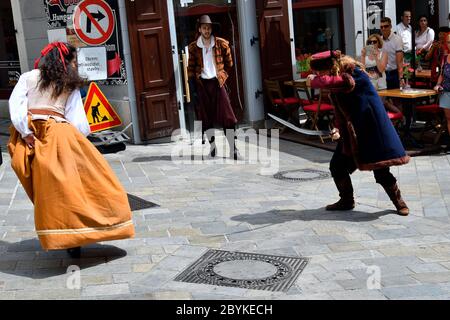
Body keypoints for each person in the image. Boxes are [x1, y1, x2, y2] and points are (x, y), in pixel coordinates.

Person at [7, 42, 135, 258]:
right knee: (78, 185)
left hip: (32, 136)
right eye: (73, 61)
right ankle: (79, 233)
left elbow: (15, 104)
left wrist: (26, 132)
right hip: (60, 133)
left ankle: (64, 235)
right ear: (64, 61)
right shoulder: (69, 84)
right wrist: (77, 143)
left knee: (50, 191)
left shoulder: (28, 77)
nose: (75, 65)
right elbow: (79, 123)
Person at [306, 51, 410, 216]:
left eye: (321, 72)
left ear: (331, 67)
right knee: (337, 166)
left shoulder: (354, 72)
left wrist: (317, 81)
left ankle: (399, 202)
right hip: (351, 132)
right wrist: (337, 128)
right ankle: (346, 200)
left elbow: (346, 83)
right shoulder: (335, 81)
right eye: (317, 73)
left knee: (381, 170)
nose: (319, 75)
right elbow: (340, 110)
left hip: (371, 129)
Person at [188, 15, 241, 160]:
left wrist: (222, 75)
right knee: (206, 119)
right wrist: (193, 89)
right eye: (204, 28)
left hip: (217, 84)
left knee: (228, 117)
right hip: (202, 85)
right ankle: (212, 147)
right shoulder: (193, 47)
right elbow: (190, 68)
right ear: (199, 29)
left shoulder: (221, 44)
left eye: (209, 28)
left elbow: (229, 63)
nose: (206, 30)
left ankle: (233, 148)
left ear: (211, 29)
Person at [361, 34, 401, 114]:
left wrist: (376, 57)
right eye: (370, 42)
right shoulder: (366, 55)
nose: (372, 44)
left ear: (378, 43)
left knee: (381, 104)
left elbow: (381, 69)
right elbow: (362, 70)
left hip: (380, 85)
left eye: (374, 42)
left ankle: (399, 115)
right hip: (370, 84)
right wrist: (362, 55)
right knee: (375, 105)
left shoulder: (383, 54)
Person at [433, 33, 450, 145]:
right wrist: (438, 85)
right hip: (446, 91)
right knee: (449, 119)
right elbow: (442, 74)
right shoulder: (445, 57)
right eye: (448, 42)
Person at [381, 17, 405, 89]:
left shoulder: (397, 39)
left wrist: (401, 78)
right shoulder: (379, 40)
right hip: (382, 74)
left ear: (390, 26)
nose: (383, 28)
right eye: (381, 27)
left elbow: (400, 62)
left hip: (394, 74)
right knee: (384, 98)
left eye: (386, 26)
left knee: (395, 98)